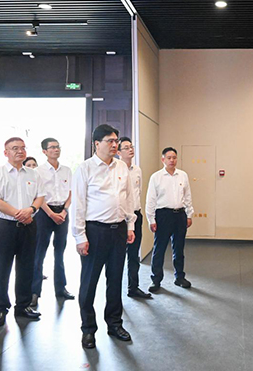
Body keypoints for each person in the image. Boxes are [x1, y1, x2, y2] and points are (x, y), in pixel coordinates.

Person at [72, 124, 136, 349]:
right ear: (96, 144)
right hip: (94, 231)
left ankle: (115, 324)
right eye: (110, 141)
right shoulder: (85, 168)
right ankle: (88, 329)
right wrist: (80, 236)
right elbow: (78, 204)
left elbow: (128, 198)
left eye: (116, 141)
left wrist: (130, 225)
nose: (114, 145)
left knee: (115, 279)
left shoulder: (122, 167)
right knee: (89, 282)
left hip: (118, 230)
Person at [0, 137, 44, 327]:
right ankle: (0, 309)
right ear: (6, 153)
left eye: (22, 148)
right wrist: (19, 214)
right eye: (14, 148)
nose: (20, 151)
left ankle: (23, 306)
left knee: (26, 268)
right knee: (2, 268)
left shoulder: (34, 174)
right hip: (5, 227)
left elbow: (40, 197)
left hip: (29, 226)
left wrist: (31, 210)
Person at [31, 138, 74, 308]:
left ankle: (61, 288)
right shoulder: (38, 171)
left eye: (58, 147)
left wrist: (64, 211)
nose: (56, 150)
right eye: (52, 147)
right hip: (44, 213)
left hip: (62, 212)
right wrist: (51, 214)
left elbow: (70, 193)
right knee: (39, 253)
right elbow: (38, 196)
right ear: (44, 151)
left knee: (60, 252)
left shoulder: (67, 170)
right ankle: (34, 292)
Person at [146, 147, 195, 293]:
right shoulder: (156, 177)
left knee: (179, 248)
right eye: (169, 158)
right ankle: (156, 280)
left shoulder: (183, 175)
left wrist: (189, 214)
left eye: (174, 157)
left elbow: (187, 196)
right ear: (163, 159)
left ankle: (179, 277)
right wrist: (151, 219)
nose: (172, 160)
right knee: (159, 249)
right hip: (163, 215)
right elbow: (151, 200)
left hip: (180, 215)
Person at [118, 137, 152, 299]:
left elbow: (138, 193)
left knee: (134, 255)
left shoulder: (137, 170)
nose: (130, 149)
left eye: (131, 147)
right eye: (126, 148)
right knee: (118, 256)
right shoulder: (116, 170)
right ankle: (115, 293)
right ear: (118, 152)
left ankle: (133, 287)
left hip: (136, 215)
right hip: (120, 218)